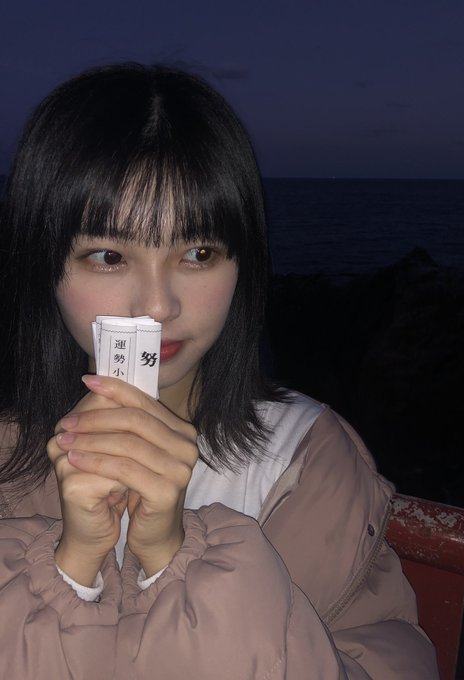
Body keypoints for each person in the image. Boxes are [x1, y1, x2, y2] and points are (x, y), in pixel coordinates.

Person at [0, 63, 439, 679]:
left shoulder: (305, 461)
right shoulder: (8, 460)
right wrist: (69, 567)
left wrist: (174, 559)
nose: (158, 305)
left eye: (198, 252)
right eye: (108, 255)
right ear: (43, 268)